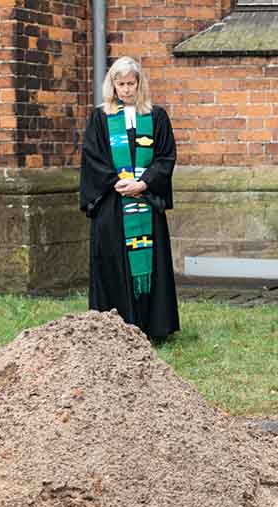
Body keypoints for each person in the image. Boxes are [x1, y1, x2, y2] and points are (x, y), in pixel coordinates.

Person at [79, 56, 180, 340]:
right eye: (120, 84)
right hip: (113, 203)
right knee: (112, 262)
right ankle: (113, 331)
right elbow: (92, 157)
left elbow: (165, 156)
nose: (125, 89)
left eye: (130, 84)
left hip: (145, 201)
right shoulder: (101, 117)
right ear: (112, 85)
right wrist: (118, 182)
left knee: (151, 263)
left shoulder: (155, 116)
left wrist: (144, 184)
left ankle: (153, 327)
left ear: (139, 84)